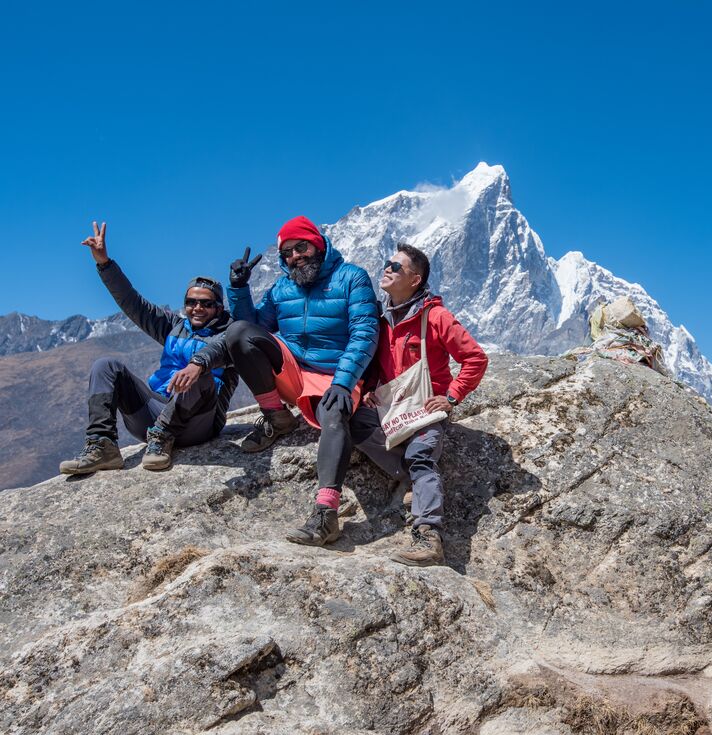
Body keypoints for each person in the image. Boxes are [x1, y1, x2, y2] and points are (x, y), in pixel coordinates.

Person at [198, 215, 379, 546]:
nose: (296, 257)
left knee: (335, 417)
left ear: (318, 244)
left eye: (302, 247)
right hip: (294, 372)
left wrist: (343, 381)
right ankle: (276, 416)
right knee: (238, 332)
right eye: (288, 253)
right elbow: (252, 330)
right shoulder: (281, 288)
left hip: (336, 375)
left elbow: (365, 332)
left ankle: (326, 514)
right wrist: (238, 289)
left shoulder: (351, 278)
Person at [60, 222, 238, 474]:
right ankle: (103, 446)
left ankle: (164, 436)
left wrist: (196, 366)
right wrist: (104, 263)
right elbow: (133, 303)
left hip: (199, 422)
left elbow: (244, 340)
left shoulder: (231, 335)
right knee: (106, 366)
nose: (197, 308)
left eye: (206, 303)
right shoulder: (173, 327)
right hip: (154, 413)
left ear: (219, 308)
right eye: (191, 302)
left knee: (199, 371)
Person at [349, 243, 488, 566]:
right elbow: (375, 366)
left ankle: (428, 536)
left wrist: (451, 397)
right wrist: (370, 388)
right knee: (353, 421)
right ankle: (411, 478)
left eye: (396, 267)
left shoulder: (436, 316)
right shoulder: (382, 321)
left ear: (415, 280)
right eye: (387, 263)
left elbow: (475, 358)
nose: (387, 269)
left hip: (425, 411)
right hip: (392, 408)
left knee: (421, 455)